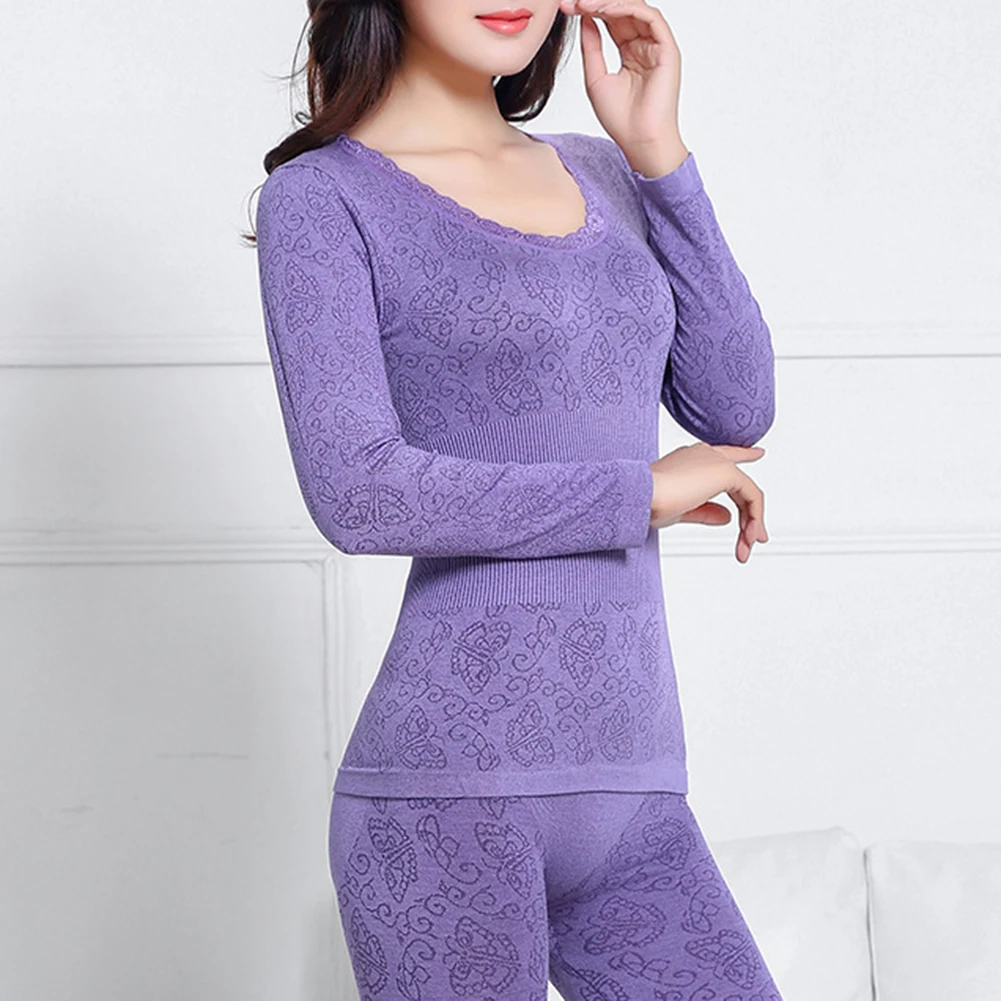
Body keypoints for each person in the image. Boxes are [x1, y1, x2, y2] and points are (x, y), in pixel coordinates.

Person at [250, 1, 782, 998]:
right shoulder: (323, 199)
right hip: (443, 798)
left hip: (634, 788)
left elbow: (734, 404)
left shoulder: (605, 172)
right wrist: (637, 493)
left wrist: (659, 155)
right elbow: (359, 491)